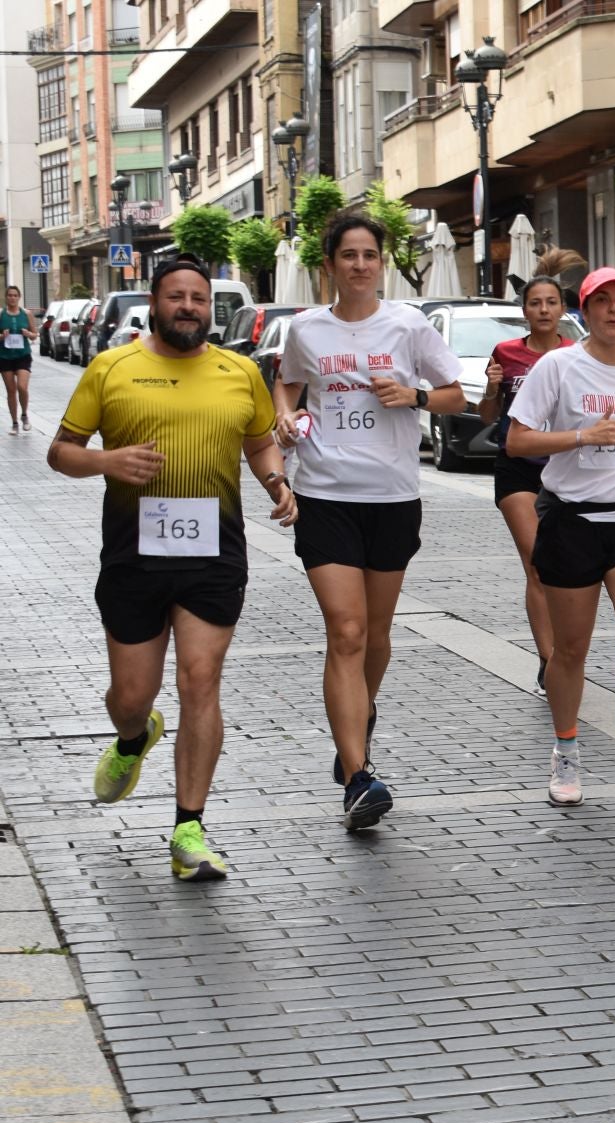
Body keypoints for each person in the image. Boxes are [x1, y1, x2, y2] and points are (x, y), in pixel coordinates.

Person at [48, 254, 297, 880]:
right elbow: (60, 453)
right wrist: (109, 463)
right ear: (154, 304)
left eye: (198, 298)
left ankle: (190, 828)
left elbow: (260, 439)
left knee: (200, 680)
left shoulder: (239, 371)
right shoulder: (112, 368)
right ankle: (134, 736)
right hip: (134, 550)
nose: (188, 307)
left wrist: (275, 481)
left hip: (215, 548)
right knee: (133, 696)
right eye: (176, 297)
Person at [272, 212, 465, 831]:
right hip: (325, 494)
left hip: (392, 496)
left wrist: (414, 397)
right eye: (348, 255)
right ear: (328, 265)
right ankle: (358, 777)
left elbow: (459, 395)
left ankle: (357, 716)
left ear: (381, 264)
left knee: (376, 636)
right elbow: (287, 384)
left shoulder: (409, 325)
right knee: (347, 631)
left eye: (369, 255)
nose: (359, 265)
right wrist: (286, 418)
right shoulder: (306, 329)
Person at [505, 266, 615, 818]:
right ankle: (565, 751)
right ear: (584, 311)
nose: (612, 311)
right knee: (570, 651)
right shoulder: (558, 366)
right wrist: (582, 434)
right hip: (572, 522)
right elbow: (517, 441)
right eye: (600, 301)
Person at [478, 274, 571, 696]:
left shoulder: (578, 354)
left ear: (563, 309)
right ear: (525, 311)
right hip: (517, 467)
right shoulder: (506, 353)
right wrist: (492, 388)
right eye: (536, 303)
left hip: (569, 469)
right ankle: (548, 661)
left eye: (552, 302)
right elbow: (486, 416)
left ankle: (566, 653)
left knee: (563, 568)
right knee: (537, 563)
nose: (545, 310)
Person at [1, 285, 37, 433]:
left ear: (19, 297)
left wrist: (28, 334)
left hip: (23, 355)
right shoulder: (1, 314)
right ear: (6, 297)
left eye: (15, 295)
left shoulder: (26, 314)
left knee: (22, 387)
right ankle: (15, 423)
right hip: (5, 356)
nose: (12, 298)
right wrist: (3, 337)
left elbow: (35, 334)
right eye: (10, 295)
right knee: (11, 390)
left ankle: (24, 414)